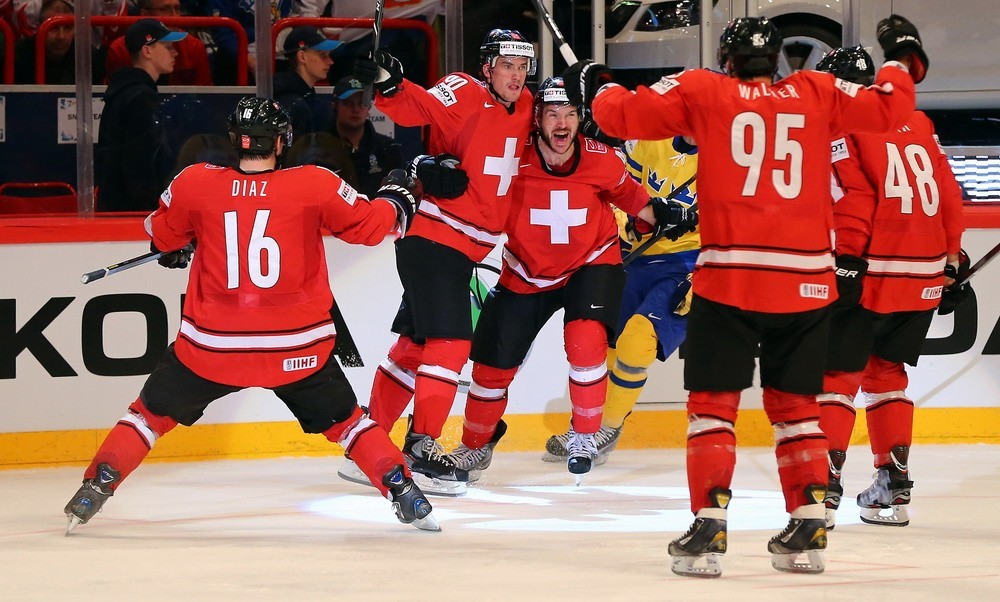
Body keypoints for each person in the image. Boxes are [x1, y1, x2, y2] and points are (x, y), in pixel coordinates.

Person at [567, 14, 925, 576]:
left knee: (713, 408)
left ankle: (710, 526)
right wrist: (902, 54)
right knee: (798, 411)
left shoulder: (703, 88)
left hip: (730, 278)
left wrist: (596, 82)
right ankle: (807, 526)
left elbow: (619, 114)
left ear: (727, 60)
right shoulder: (817, 90)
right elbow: (892, 104)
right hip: (806, 283)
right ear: (779, 57)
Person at [63, 96, 440, 534]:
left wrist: (178, 246)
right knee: (351, 423)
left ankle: (97, 485)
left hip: (212, 349)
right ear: (281, 142)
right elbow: (374, 227)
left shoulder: (195, 183)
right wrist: (397, 195)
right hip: (297, 351)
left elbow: (162, 233)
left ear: (234, 141)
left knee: (147, 417)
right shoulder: (314, 184)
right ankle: (402, 489)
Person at [443, 77, 696, 484]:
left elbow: (634, 200)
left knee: (587, 343)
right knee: (491, 367)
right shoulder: (511, 158)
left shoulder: (603, 158)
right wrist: (428, 174)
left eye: (571, 113)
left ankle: (586, 435)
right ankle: (474, 446)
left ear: (582, 119)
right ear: (537, 119)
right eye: (553, 114)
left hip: (591, 264)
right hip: (525, 271)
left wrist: (664, 215)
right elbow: (468, 190)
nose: (562, 123)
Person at [342, 29, 536, 497]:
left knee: (415, 345)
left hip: (465, 248)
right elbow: (419, 108)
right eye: (506, 64)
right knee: (450, 343)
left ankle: (366, 445)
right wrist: (390, 85)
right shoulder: (465, 89)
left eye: (522, 65)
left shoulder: (528, 103)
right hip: (434, 238)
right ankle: (421, 447)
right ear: (487, 66)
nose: (516, 74)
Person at [814, 46, 968, 530]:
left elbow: (852, 198)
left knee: (836, 376)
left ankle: (823, 489)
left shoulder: (841, 126)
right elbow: (949, 194)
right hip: (921, 272)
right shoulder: (920, 124)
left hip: (870, 267)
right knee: (886, 373)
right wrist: (949, 260)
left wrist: (847, 261)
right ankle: (892, 483)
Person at [542, 135, 700, 466]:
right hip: (630, 259)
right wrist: (622, 218)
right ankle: (584, 428)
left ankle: (605, 429)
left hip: (686, 266)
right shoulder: (647, 143)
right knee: (605, 345)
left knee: (638, 341)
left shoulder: (730, 162)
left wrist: (708, 275)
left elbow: (741, 225)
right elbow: (614, 185)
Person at [95, 18, 186, 212]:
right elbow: (139, 162)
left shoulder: (128, 91)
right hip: (132, 212)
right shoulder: (141, 97)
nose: (174, 52)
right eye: (168, 46)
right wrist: (150, 210)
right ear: (147, 51)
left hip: (120, 206)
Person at [104, 0, 213, 86]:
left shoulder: (194, 47)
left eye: (177, 9)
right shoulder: (120, 50)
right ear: (145, 14)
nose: (175, 17)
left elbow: (205, 100)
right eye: (165, 9)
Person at [331, 75, 404, 198]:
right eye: (348, 103)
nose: (355, 109)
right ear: (335, 105)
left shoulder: (388, 149)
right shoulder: (321, 149)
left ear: (369, 107)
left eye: (362, 103)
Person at [273, 26, 341, 135]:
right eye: (323, 55)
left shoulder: (304, 95)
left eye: (329, 55)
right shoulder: (293, 103)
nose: (331, 61)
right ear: (302, 57)